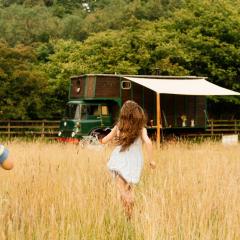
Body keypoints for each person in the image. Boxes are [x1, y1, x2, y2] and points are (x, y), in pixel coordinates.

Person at [101, 100, 156, 219]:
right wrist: (151, 160)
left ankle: (128, 208)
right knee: (129, 189)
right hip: (135, 162)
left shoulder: (119, 127)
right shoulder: (141, 129)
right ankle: (129, 215)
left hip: (120, 160)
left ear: (123, 113)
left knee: (122, 189)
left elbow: (105, 140)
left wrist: (99, 140)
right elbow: (148, 142)